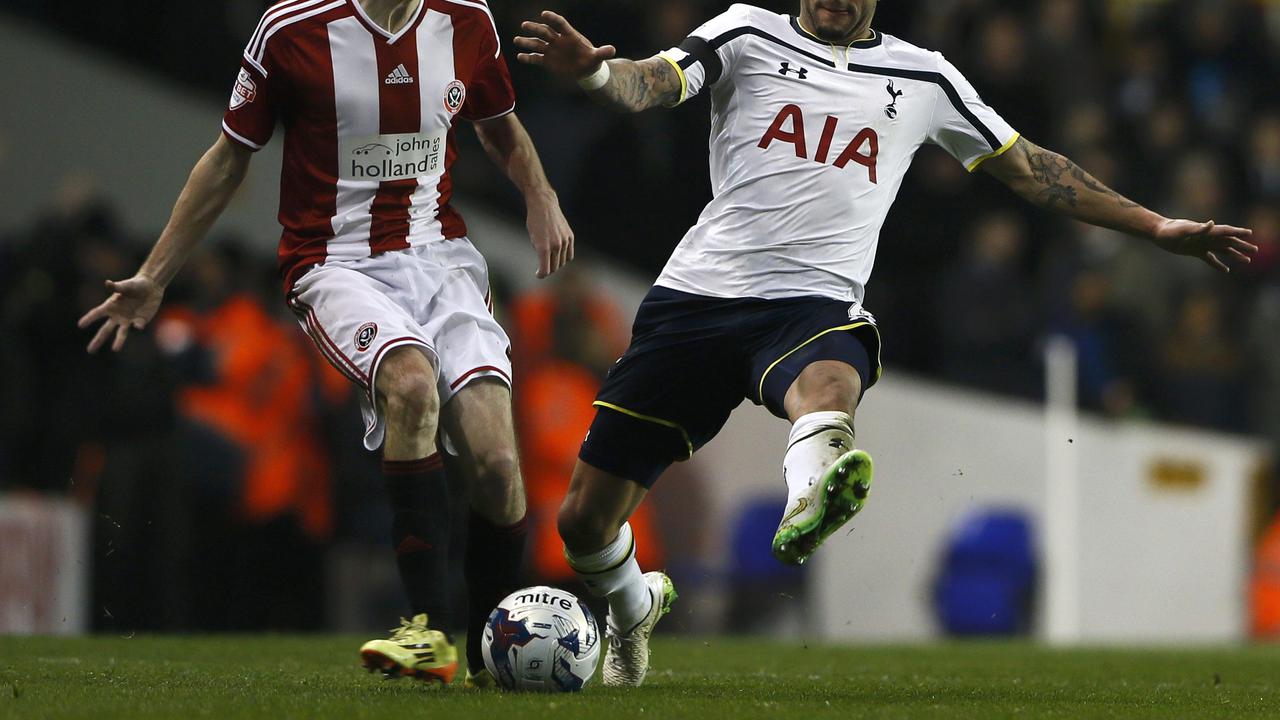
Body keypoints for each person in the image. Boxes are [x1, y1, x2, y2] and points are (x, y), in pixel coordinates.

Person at [514, 0, 1257, 687]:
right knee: (583, 521)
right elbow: (653, 83)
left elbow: (1032, 168)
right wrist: (598, 74)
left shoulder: (924, 76)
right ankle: (632, 603)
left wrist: (1156, 225)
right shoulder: (745, 31)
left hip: (812, 303)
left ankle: (813, 487)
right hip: (698, 299)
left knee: (830, 381)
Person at [78, 0, 574, 688]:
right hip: (336, 262)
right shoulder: (292, 30)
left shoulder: (467, 20)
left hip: (441, 259)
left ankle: (492, 653)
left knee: (496, 463)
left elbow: (500, 126)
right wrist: (156, 275)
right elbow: (228, 157)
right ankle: (427, 632)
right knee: (410, 385)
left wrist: (540, 194)